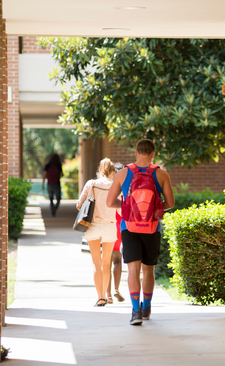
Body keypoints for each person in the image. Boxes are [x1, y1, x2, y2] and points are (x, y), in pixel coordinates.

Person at [106, 139, 175, 325]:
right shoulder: (161, 175)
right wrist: (152, 212)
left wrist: (128, 208)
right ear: (153, 154)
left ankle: (136, 312)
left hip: (129, 227)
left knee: (133, 270)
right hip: (153, 228)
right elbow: (170, 203)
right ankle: (147, 309)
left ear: (136, 153)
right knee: (149, 270)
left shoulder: (122, 174)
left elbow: (110, 202)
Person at [77, 158, 117, 307]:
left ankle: (100, 297)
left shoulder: (91, 184)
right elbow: (120, 208)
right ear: (112, 172)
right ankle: (106, 297)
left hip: (93, 225)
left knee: (96, 262)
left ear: (100, 170)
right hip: (109, 226)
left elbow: (79, 204)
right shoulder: (116, 186)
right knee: (107, 263)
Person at [106, 163, 125, 304]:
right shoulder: (124, 189)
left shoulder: (106, 188)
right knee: (117, 261)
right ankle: (116, 289)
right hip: (119, 227)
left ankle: (108, 294)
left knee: (106, 261)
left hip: (106, 226)